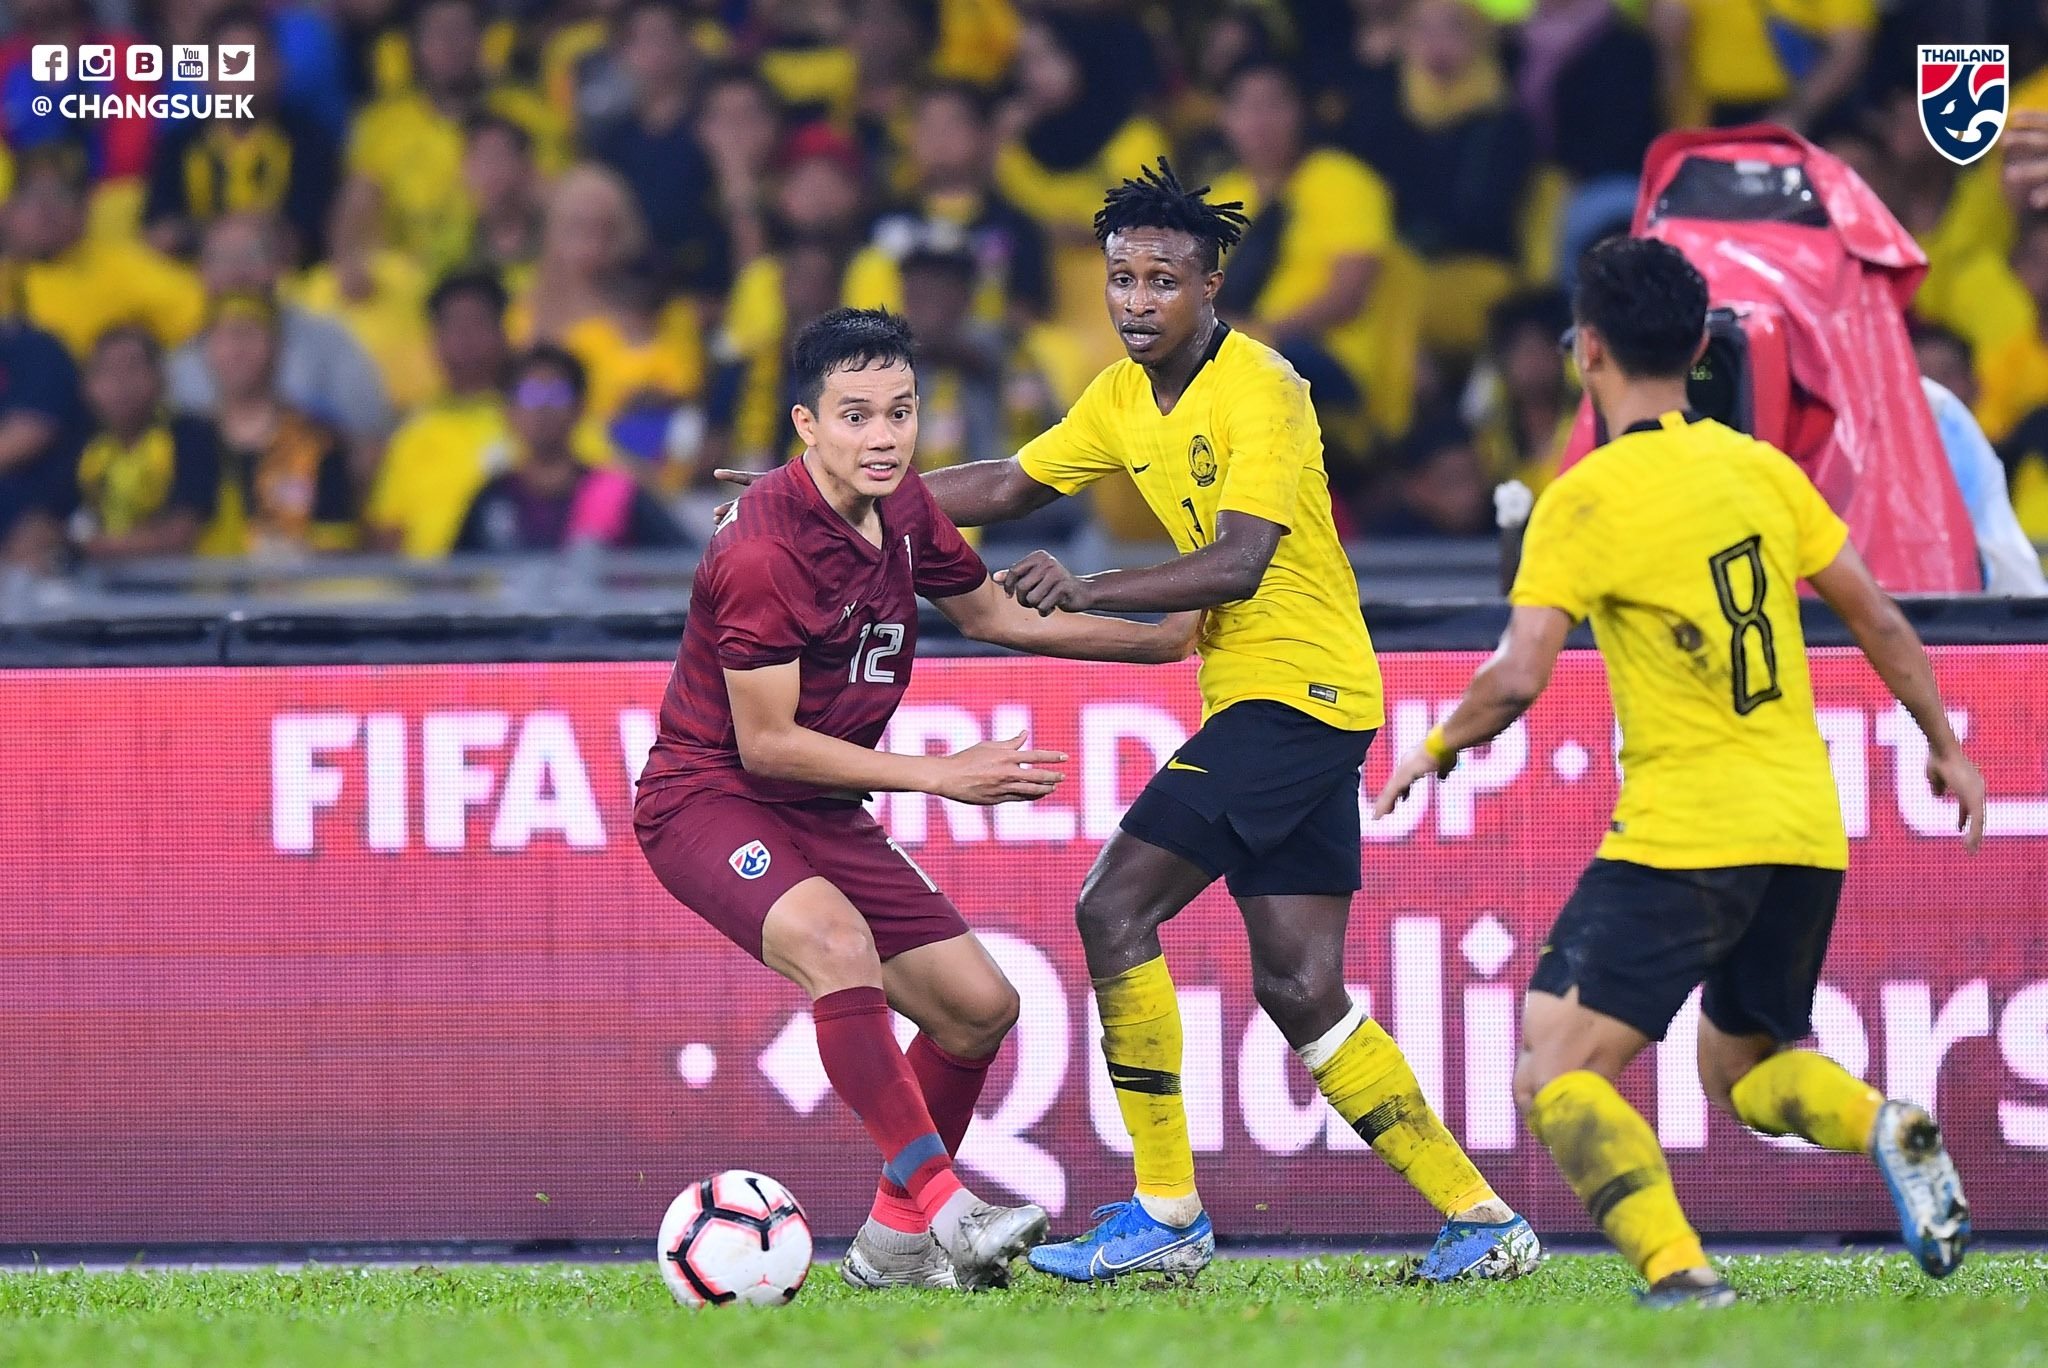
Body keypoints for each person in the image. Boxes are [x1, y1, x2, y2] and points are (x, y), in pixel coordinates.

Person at [724, 161, 1540, 1285]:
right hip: (1276, 699)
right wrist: (819, 483)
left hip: (1291, 693)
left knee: (1112, 908)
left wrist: (1093, 587)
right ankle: (1481, 1220)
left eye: (1162, 280)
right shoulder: (1119, 395)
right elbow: (1010, 482)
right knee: (1301, 989)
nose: (1137, 300)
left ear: (1212, 287)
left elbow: (1243, 562)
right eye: (1121, 278)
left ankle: (1166, 1213)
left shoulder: (1263, 388)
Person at [1374, 237, 1985, 1307]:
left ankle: (1675, 1271)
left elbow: (1518, 674)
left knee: (1554, 1067)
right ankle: (1880, 1121)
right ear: (1699, 347)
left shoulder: (1586, 495)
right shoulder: (1762, 471)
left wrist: (1429, 751)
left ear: (1586, 352)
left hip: (1686, 828)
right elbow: (1876, 617)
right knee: (1738, 1074)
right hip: (1802, 826)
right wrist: (1942, 742)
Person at [636, 307, 1200, 1293]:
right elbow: (765, 747)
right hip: (711, 800)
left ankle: (893, 1245)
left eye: (899, 412)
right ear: (805, 424)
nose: (884, 436)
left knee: (979, 1010)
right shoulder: (762, 553)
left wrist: (1153, 640)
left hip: (818, 804)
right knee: (835, 945)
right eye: (856, 416)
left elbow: (985, 612)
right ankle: (951, 1209)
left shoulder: (900, 509)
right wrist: (941, 776)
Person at [451, 344, 684, 553]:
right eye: (529, 395)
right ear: (509, 412)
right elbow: (452, 580)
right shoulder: (493, 497)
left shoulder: (616, 493)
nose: (543, 408)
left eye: (556, 394)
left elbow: (682, 563)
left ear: (580, 408)